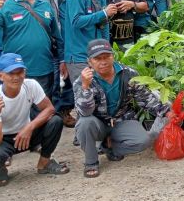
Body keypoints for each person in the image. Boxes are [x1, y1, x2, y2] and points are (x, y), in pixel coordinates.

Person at [73, 39, 171, 178]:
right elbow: (85, 112)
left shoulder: (128, 74)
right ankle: (91, 162)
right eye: (97, 58)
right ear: (89, 62)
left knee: (143, 140)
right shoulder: (81, 81)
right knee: (84, 123)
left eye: (106, 56)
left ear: (113, 56)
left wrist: (166, 111)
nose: (103, 61)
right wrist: (86, 87)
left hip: (122, 120)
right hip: (98, 124)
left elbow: (145, 98)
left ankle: (110, 148)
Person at [0, 54, 69, 187]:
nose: (16, 77)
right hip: (4, 139)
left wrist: (29, 127)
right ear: (0, 76)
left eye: (20, 72)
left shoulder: (31, 85)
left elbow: (49, 109)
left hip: (27, 133)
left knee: (56, 121)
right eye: (11, 73)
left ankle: (44, 162)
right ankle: (0, 168)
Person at [61, 0, 115, 83]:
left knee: (100, 94)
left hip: (98, 55)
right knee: (84, 95)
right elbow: (76, 21)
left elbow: (103, 24)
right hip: (79, 56)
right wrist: (103, 13)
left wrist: (107, 49)